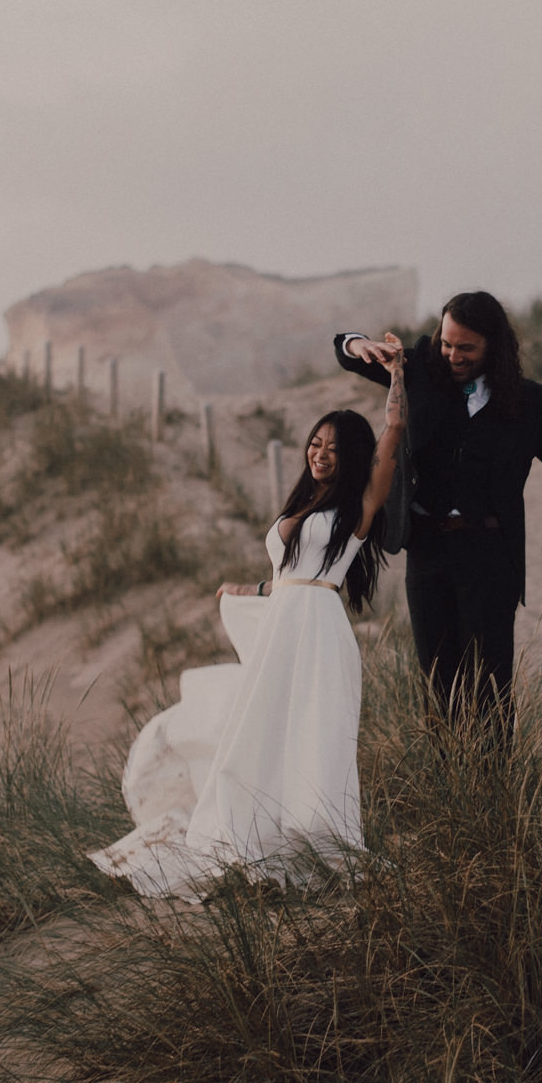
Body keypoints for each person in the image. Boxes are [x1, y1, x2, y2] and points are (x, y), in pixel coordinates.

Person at [90, 349, 406, 899]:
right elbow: (287, 575)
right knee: (255, 733)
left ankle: (314, 838)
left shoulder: (357, 506)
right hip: (281, 628)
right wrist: (248, 589)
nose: (320, 452)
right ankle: (248, 836)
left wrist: (399, 372)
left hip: (319, 634)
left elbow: (394, 429)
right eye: (315, 442)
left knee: (312, 734)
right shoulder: (304, 504)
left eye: (333, 447)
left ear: (352, 456)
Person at [335, 292, 542, 738]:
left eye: (466, 347)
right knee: (438, 685)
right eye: (447, 343)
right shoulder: (417, 372)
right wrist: (357, 345)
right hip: (426, 551)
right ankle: (449, 790)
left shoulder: (529, 403)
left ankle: (493, 791)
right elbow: (346, 352)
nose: (453, 355)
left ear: (493, 346)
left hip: (490, 556)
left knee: (490, 690)